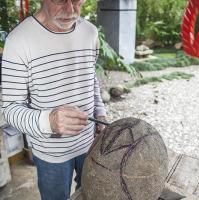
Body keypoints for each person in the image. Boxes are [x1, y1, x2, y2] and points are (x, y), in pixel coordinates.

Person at [1, 0, 107, 199]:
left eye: (76, 0)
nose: (69, 9)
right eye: (59, 0)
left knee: (91, 195)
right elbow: (10, 109)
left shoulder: (90, 33)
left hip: (90, 144)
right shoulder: (18, 40)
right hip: (50, 153)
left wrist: (100, 110)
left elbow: (89, 78)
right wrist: (48, 121)